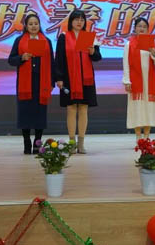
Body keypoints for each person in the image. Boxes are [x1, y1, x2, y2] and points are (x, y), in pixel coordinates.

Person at [8, 14, 56, 154]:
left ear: (39, 25)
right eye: (30, 24)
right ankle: (26, 141)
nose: (34, 26)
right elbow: (11, 60)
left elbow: (52, 63)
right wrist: (22, 57)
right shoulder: (19, 40)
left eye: (36, 23)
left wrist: (52, 82)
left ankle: (37, 142)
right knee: (25, 112)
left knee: (40, 113)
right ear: (26, 26)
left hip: (42, 82)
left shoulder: (46, 41)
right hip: (25, 83)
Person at [55, 9, 102, 154]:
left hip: (85, 78)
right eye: (76, 19)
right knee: (71, 109)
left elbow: (97, 57)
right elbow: (59, 59)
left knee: (83, 108)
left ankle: (81, 143)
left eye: (82, 19)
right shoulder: (64, 37)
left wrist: (92, 52)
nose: (79, 22)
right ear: (71, 21)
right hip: (68, 77)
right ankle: (71, 143)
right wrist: (59, 78)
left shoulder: (89, 37)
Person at [122, 17, 155, 142]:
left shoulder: (152, 42)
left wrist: (153, 52)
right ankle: (138, 137)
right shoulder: (129, 44)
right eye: (139, 26)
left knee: (148, 108)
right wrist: (126, 81)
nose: (142, 28)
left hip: (149, 81)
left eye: (144, 27)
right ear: (135, 28)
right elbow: (126, 64)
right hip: (135, 82)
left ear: (148, 29)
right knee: (137, 108)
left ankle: (147, 137)